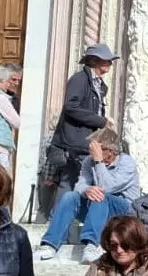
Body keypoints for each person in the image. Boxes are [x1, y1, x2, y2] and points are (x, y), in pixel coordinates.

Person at [37, 128, 140, 263]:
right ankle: (50, 244)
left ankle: (92, 245)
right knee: (70, 197)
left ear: (111, 150)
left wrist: (98, 162)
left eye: (96, 148)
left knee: (100, 195)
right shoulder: (88, 162)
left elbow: (108, 187)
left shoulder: (126, 162)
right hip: (97, 209)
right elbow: (80, 186)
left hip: (124, 211)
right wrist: (86, 190)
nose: (91, 152)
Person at [49, 44, 120, 193]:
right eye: (106, 60)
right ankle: (60, 216)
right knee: (80, 184)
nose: (110, 63)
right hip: (76, 143)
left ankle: (62, 215)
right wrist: (101, 121)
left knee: (73, 185)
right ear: (94, 61)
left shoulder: (98, 84)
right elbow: (71, 106)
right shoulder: (80, 79)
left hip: (84, 143)